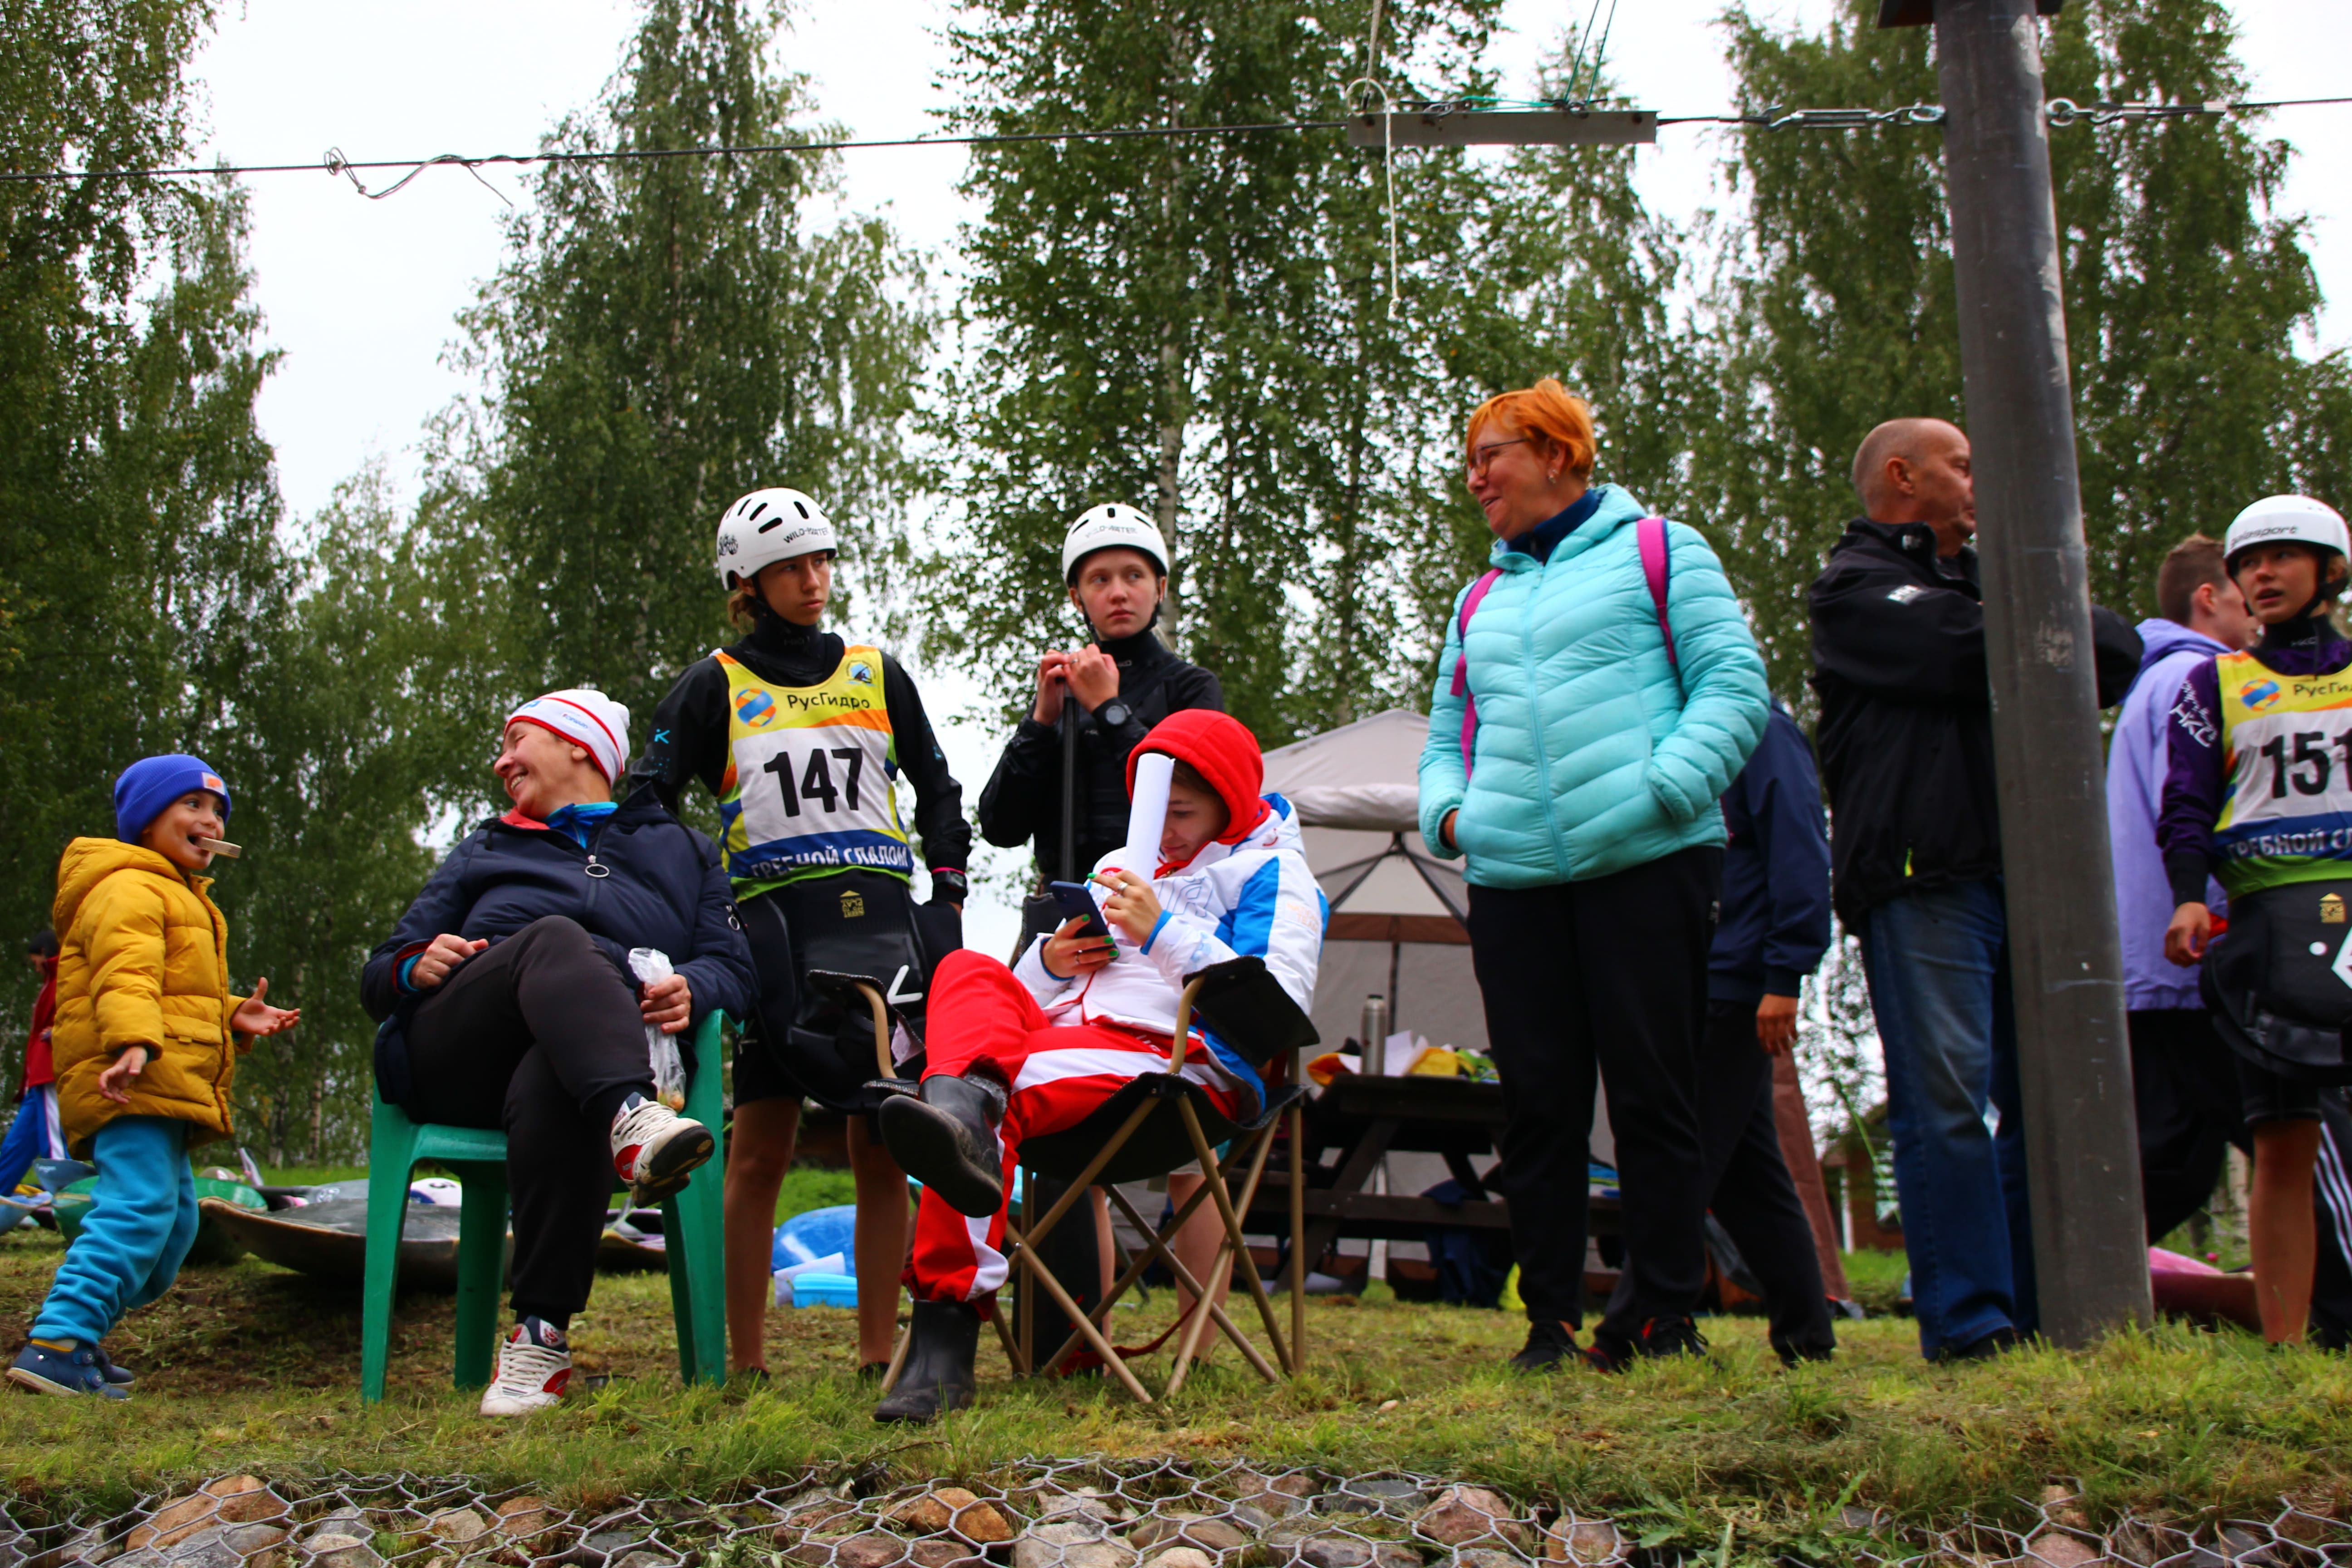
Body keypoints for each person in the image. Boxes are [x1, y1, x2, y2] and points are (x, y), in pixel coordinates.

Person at [1418, 377, 1771, 1372]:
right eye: (1470, 460)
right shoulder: (1477, 601)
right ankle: (1549, 1323)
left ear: (1556, 454)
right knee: (1538, 1106)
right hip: (1513, 881)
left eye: (1491, 455)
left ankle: (1659, 1317)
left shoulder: (1661, 550)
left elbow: (1734, 686)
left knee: (1654, 1096)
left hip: (1648, 864)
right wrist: (1452, 818)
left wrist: (1665, 789)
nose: (1475, 477)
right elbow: (1446, 738)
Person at [872, 709, 1325, 1421]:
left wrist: (1163, 932)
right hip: (1064, 1046)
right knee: (965, 971)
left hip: (1171, 1069)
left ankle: (945, 1338)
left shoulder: (1273, 872)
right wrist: (1050, 964)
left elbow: (1276, 1007)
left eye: (1183, 813)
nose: (1165, 831)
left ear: (1230, 802)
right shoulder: (1120, 863)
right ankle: (962, 1108)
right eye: (1154, 812)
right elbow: (1025, 1002)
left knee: (982, 1097)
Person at [1809, 417, 2140, 1362]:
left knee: (2047, 1101)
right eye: (1962, 464)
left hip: (2027, 879)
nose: (1979, 478)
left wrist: (2027, 618)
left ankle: (2042, 1316)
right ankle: (1969, 1323)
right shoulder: (1853, 588)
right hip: (1923, 879)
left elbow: (2116, 649)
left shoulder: (1991, 579)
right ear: (1903, 477)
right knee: (1946, 1100)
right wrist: (2038, 632)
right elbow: (1966, 652)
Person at [630, 488, 970, 1380]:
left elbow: (937, 786)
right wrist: (690, 904)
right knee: (759, 1150)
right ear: (747, 583)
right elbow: (646, 795)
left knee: (881, 1144)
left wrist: (948, 891)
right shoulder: (712, 683)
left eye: (820, 561)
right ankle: (744, 1362)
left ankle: (875, 1357)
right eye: (789, 567)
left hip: (882, 931)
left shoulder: (876, 671)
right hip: (775, 939)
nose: (812, 580)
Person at [364, 690, 753, 1415]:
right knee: (553, 938)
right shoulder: (487, 846)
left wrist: (694, 987)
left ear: (580, 744)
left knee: (562, 1073)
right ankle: (633, 1118)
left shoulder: (686, 851)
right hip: (463, 1053)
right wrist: (414, 964)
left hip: (583, 1067)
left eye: (517, 740)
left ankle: (539, 1340)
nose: (501, 762)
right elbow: (379, 971)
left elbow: (734, 967)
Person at [972, 505, 1227, 1362]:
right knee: (1054, 1129)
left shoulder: (1188, 687)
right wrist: (1043, 721)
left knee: (1191, 1142)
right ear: (1077, 596)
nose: (1117, 592)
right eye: (1098, 579)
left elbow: (1194, 793)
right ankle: (1079, 1339)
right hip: (1063, 925)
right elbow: (999, 824)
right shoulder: (1062, 691)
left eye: (1133, 576)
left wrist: (1112, 710)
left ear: (1159, 587)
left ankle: (1199, 1341)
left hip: (1164, 916)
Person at [8, 757, 301, 1398]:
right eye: (192, 805)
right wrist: (134, 1042)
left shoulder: (178, 894)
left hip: (162, 1080)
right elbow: (125, 975)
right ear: (146, 818)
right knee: (139, 1209)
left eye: (218, 810)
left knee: (174, 1225)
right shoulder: (129, 888)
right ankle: (58, 1341)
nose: (210, 820)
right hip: (131, 1077)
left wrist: (232, 1014)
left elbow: (174, 993)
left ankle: (82, 1336)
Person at [1590, 699, 1838, 1368]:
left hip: (1737, 982)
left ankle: (1623, 1335)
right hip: (1686, 977)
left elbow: (1800, 847)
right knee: (1748, 1176)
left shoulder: (1762, 731)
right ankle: (1808, 1337)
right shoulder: (1666, 725)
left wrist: (1785, 973)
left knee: (1684, 1159)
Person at [2158, 495, 2352, 1346]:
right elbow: (2185, 804)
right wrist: (2186, 895)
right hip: (2266, 926)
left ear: (2329, 571)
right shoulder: (2214, 683)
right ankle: (2284, 1343)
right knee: (2280, 1137)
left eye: (2282, 558)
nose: (2262, 575)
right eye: (2248, 564)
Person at [2109, 534, 2263, 1238]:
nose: (2255, 614)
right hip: (2200, 957)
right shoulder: (2197, 683)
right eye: (2244, 597)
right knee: (2290, 1131)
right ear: (2209, 599)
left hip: (2157, 963)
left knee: (2171, 1161)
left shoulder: (2151, 682)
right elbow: (2197, 812)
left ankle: (2059, 1280)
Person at [0, 933, 64, 1218]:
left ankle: (67, 1200)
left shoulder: (67, 975)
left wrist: (61, 1031)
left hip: (50, 1070)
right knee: (17, 1144)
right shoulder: (51, 982)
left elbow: (85, 1012)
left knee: (54, 1145)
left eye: (36, 962)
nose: (36, 969)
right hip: (36, 1078)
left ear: (44, 952)